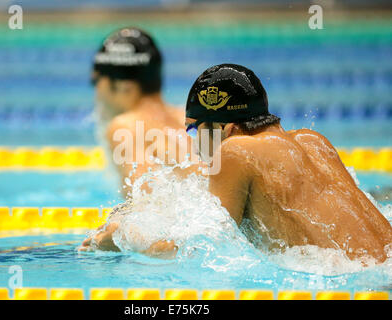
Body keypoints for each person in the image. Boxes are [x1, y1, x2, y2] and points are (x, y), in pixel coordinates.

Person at [184, 63, 392, 263]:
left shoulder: (235, 151)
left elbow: (209, 244)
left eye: (194, 129)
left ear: (224, 129)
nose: (195, 146)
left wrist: (154, 244)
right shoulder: (312, 141)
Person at [91, 27, 199, 192]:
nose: (97, 92)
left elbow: (144, 201)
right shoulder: (189, 117)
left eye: (96, 81)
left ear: (122, 84)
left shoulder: (126, 126)